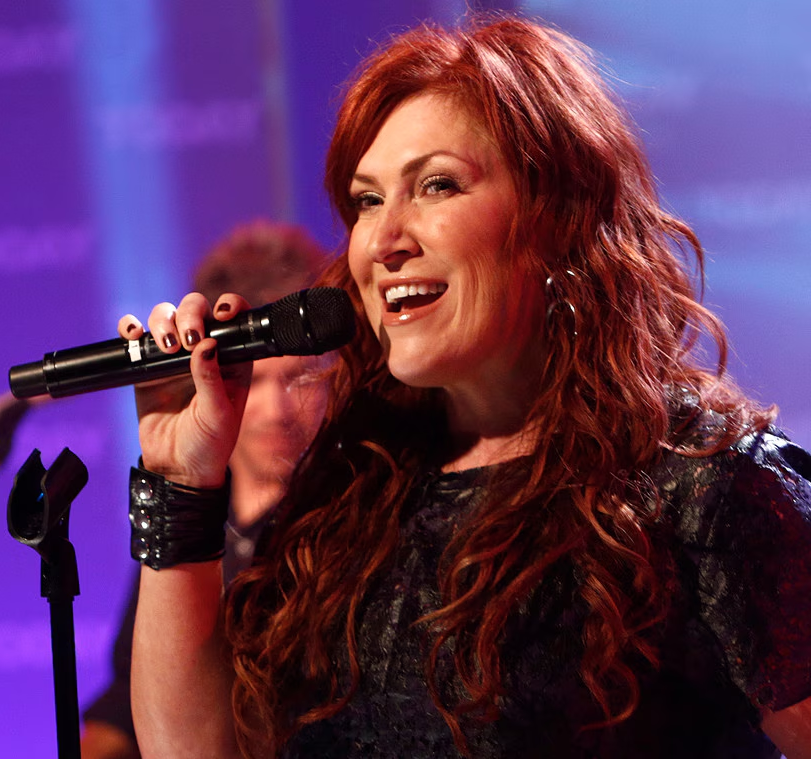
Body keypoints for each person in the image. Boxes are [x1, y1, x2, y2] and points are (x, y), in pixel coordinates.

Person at [121, 15, 811, 759]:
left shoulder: (703, 484)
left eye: (437, 186)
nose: (385, 241)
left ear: (556, 218)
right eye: (367, 201)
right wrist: (182, 487)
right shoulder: (351, 488)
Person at [79, 220, 330, 759]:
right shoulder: (193, 514)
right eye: (254, 381)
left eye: (299, 378)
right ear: (207, 380)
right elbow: (125, 704)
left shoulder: (348, 515)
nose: (277, 410)